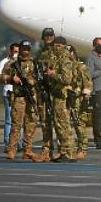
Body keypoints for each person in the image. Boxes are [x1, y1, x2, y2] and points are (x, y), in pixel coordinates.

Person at [2, 40, 38, 161]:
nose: (26, 51)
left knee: (31, 123)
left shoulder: (34, 63)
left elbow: (39, 78)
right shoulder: (13, 63)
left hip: (31, 96)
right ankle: (12, 150)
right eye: (24, 49)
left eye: (28, 49)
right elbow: (2, 76)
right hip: (19, 97)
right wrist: (13, 78)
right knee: (16, 123)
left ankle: (28, 149)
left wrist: (33, 81)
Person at [45, 36, 76, 162]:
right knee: (59, 124)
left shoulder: (65, 60)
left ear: (64, 46)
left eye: (58, 45)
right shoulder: (56, 59)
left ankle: (68, 152)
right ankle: (64, 151)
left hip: (62, 96)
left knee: (63, 124)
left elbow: (67, 79)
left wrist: (53, 75)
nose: (56, 47)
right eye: (55, 45)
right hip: (57, 95)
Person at [67, 45, 93, 160]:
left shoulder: (81, 67)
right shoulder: (64, 67)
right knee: (65, 126)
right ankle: (67, 150)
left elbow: (87, 84)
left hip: (78, 100)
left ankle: (82, 149)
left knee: (79, 125)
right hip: (66, 99)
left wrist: (85, 99)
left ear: (73, 53)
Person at [34, 27, 56, 162]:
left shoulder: (59, 53)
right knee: (45, 122)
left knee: (60, 123)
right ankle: (46, 151)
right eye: (46, 36)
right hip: (44, 90)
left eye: (50, 36)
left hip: (56, 91)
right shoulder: (40, 54)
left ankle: (64, 151)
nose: (48, 38)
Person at [0, 43, 20, 153]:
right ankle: (7, 144)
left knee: (20, 119)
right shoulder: (4, 62)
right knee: (9, 120)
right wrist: (10, 78)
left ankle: (18, 143)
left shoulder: (23, 63)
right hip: (8, 92)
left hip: (20, 93)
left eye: (18, 52)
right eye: (15, 51)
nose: (16, 54)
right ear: (10, 51)